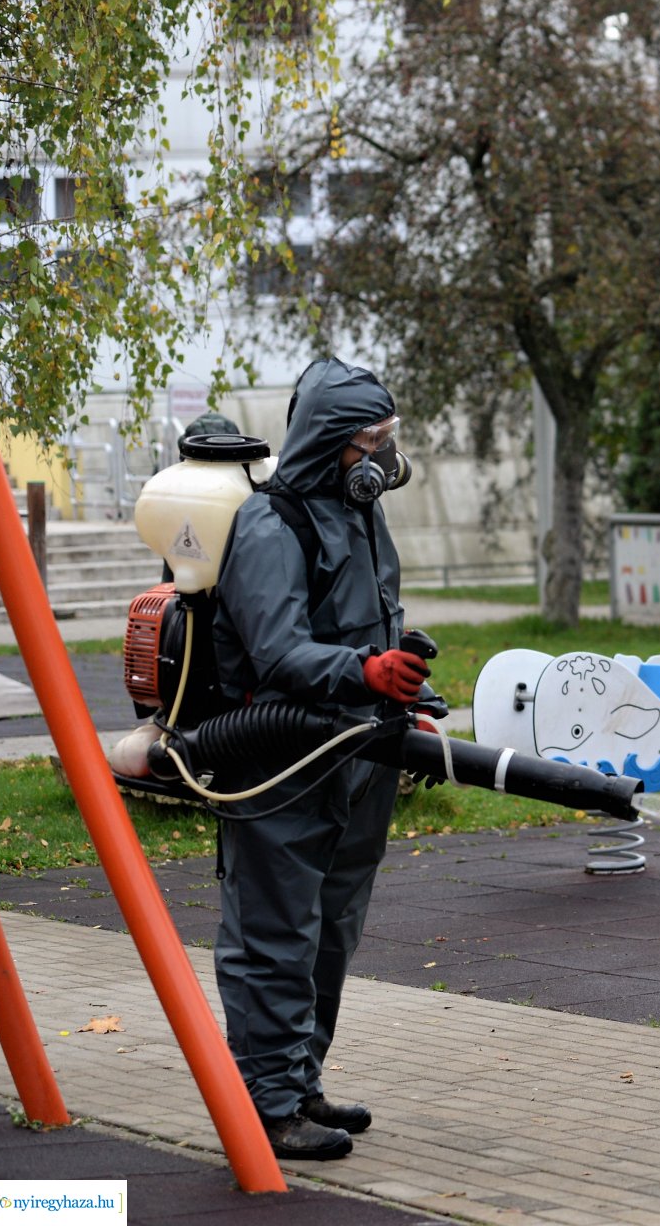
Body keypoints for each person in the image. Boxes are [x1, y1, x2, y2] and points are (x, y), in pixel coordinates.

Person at [210, 356, 433, 1160]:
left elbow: (375, 623)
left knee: (332, 928)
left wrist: (403, 695)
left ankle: (300, 1083)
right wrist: (363, 673)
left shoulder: (361, 512)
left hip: (356, 756)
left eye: (388, 439)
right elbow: (278, 651)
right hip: (281, 764)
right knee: (276, 935)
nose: (382, 456)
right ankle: (266, 1109)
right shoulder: (274, 525)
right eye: (369, 440)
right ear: (332, 440)